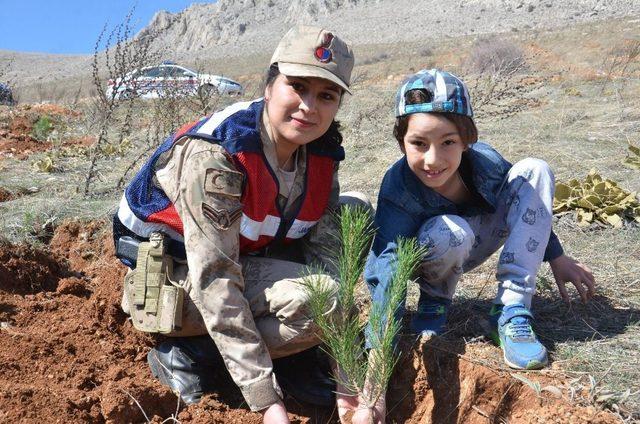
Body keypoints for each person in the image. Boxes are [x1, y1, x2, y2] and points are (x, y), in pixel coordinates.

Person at [112, 26, 363, 423]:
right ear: (269, 86)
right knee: (322, 295)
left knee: (353, 217)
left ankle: (296, 356)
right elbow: (215, 277)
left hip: (244, 261)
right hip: (175, 280)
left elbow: (323, 262)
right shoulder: (219, 152)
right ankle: (191, 355)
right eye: (296, 86)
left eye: (326, 96)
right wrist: (267, 401)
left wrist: (349, 381)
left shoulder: (321, 154)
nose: (309, 107)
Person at [342, 69, 595, 423]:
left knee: (534, 170)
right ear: (402, 142)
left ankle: (511, 311)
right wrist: (378, 364)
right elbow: (388, 264)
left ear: (467, 140)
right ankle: (435, 301)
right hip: (430, 252)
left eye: (448, 142)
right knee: (450, 230)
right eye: (419, 144)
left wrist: (556, 255)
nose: (433, 160)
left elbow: (525, 201)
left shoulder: (486, 163)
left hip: (481, 238)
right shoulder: (398, 186)